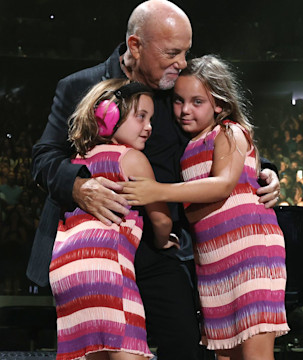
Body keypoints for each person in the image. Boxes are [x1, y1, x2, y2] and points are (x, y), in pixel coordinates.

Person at [28, 1, 281, 359]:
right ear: (135, 46)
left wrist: (262, 168)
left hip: (157, 248)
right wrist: (79, 186)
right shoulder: (78, 86)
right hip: (93, 248)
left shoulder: (176, 93)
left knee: (185, 346)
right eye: (172, 53)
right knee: (95, 352)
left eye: (185, 53)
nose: (181, 63)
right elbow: (44, 158)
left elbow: (213, 136)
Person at [120, 55, 289, 360]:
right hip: (212, 263)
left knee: (255, 355)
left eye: (197, 101)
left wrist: (156, 191)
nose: (185, 110)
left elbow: (223, 184)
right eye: (179, 100)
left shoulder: (229, 132)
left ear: (220, 105)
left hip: (250, 255)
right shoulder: (190, 146)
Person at [51, 79, 174, 360]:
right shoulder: (131, 158)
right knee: (128, 350)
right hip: (107, 270)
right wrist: (164, 241)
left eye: (151, 118)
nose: (149, 126)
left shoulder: (75, 162)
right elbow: (162, 220)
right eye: (141, 117)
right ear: (108, 116)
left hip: (65, 273)